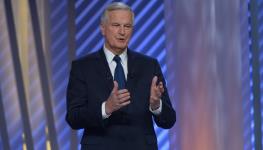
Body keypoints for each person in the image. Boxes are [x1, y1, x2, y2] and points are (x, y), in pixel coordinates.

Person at [66, 2, 176, 150]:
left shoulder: (149, 66)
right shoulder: (83, 67)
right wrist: (106, 108)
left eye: (127, 26)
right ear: (103, 29)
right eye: (116, 25)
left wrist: (156, 105)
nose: (122, 32)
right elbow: (74, 118)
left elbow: (169, 120)